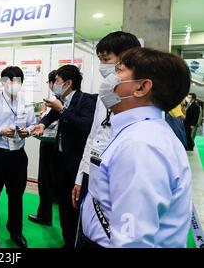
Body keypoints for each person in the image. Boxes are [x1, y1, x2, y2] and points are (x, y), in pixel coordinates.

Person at [78, 48, 193, 248]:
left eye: (119, 70)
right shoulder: (137, 132)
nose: (110, 78)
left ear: (141, 87)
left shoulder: (141, 145)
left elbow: (133, 240)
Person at [71, 32, 141, 211]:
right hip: (93, 171)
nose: (103, 65)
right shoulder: (105, 95)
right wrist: (81, 177)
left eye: (107, 59)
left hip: (117, 179)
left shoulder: (140, 101)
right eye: (100, 59)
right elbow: (92, 137)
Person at [32, 65, 96, 248]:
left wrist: (63, 111)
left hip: (76, 164)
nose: (54, 84)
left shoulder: (86, 100)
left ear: (68, 83)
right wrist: (42, 125)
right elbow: (50, 116)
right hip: (59, 160)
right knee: (63, 205)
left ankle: (77, 242)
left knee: (75, 205)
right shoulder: (60, 101)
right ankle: (68, 241)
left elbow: (85, 126)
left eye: (57, 81)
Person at [0, 66, 36, 249]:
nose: (15, 84)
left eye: (19, 80)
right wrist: (0, 131)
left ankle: (15, 230)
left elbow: (33, 125)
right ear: (3, 82)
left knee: (16, 196)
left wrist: (29, 131)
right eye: (12, 80)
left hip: (18, 156)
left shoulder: (26, 103)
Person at [28, 70, 60, 227]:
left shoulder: (56, 102)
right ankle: (45, 214)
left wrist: (40, 115)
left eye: (51, 82)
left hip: (50, 145)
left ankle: (45, 216)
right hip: (54, 145)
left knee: (46, 181)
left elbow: (51, 125)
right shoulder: (57, 100)